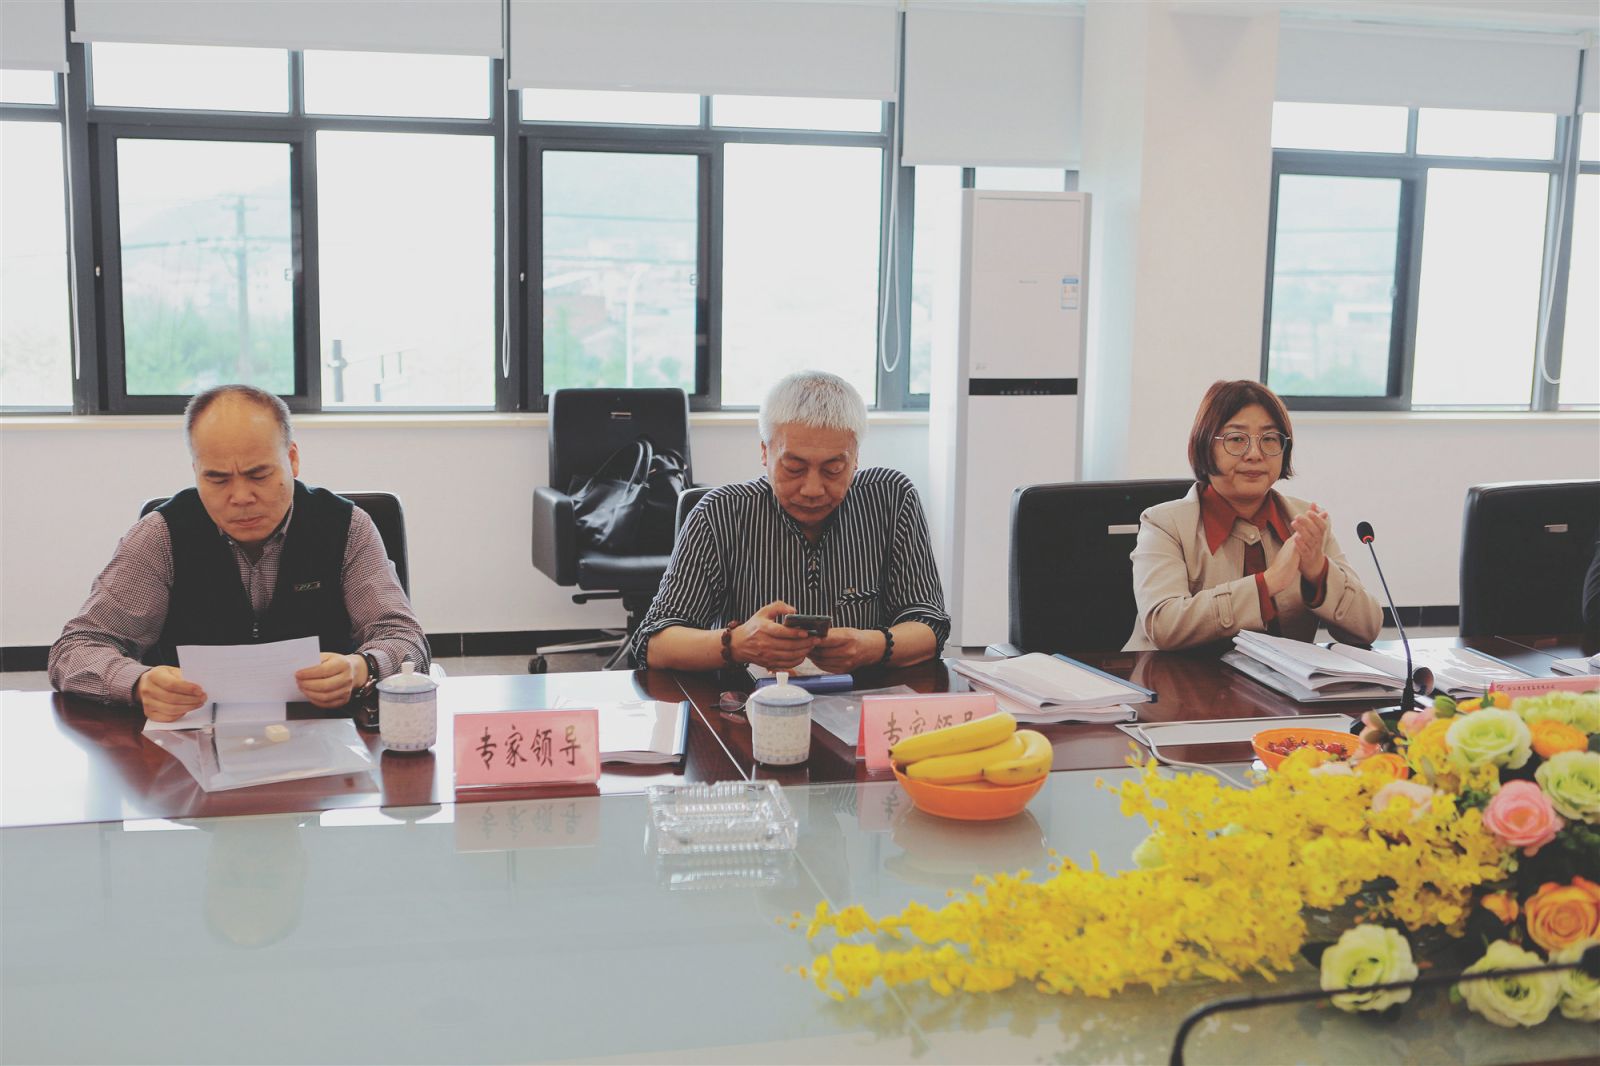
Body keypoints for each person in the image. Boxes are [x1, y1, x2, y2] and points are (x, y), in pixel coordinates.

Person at [49, 384, 430, 721]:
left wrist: (361, 668)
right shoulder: (162, 534)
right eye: (217, 479)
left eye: (258, 475)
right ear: (196, 471)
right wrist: (138, 683)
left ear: (292, 460)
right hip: (190, 740)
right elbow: (75, 649)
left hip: (326, 733)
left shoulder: (346, 527)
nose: (241, 497)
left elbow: (404, 639)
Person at [633, 370, 950, 673]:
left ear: (855, 458)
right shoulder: (720, 514)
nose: (813, 489)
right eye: (794, 468)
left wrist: (873, 646)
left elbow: (930, 623)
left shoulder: (890, 499)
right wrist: (737, 644)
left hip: (863, 698)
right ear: (764, 452)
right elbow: (653, 643)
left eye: (833, 469)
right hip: (749, 701)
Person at [1125, 379, 1382, 651]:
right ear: (1205, 445)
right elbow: (1163, 625)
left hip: (1281, 679)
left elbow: (1368, 628)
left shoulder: (1306, 522)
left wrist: (1319, 572)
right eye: (1237, 439)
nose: (1255, 454)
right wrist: (1267, 584)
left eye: (1269, 439)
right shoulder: (1164, 524)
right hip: (1177, 677)